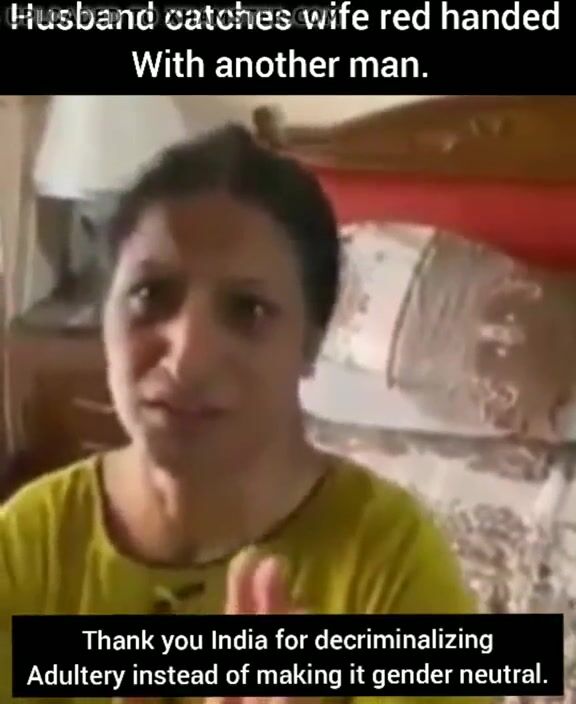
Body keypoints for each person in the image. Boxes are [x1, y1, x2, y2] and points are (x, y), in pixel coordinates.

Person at [0, 124, 480, 704]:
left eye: (248, 310)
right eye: (150, 295)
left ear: (309, 345)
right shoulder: (31, 541)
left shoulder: (392, 563)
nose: (188, 359)